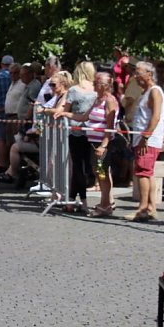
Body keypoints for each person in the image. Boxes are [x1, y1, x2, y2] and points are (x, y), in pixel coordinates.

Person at [57, 72, 118, 217]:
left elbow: (110, 126)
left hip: (101, 143)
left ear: (105, 85)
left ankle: (105, 205)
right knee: (99, 173)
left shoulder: (109, 101)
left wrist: (103, 146)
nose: (93, 84)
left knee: (102, 174)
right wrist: (66, 114)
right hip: (93, 142)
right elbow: (84, 117)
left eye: (96, 82)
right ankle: (105, 203)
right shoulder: (97, 99)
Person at [124, 61, 164, 222]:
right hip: (143, 138)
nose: (136, 76)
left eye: (138, 73)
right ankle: (150, 207)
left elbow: (156, 116)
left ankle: (143, 208)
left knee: (142, 172)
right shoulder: (146, 92)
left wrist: (145, 137)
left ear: (149, 74)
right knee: (147, 173)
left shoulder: (155, 91)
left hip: (147, 140)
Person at [62, 61, 97, 213]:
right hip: (93, 131)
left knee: (78, 166)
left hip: (76, 131)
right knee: (85, 166)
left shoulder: (74, 90)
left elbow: (66, 109)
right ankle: (72, 199)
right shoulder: (95, 90)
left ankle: (82, 200)